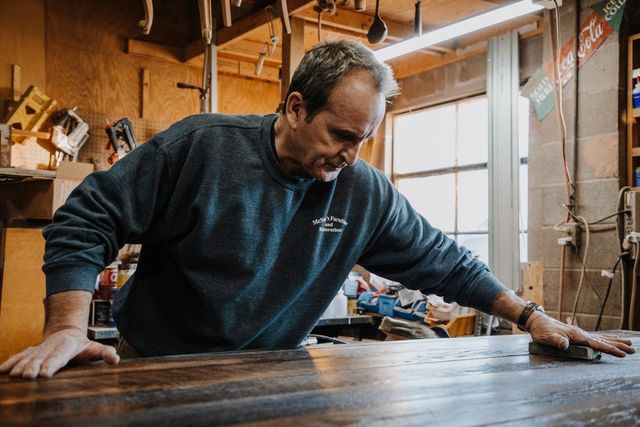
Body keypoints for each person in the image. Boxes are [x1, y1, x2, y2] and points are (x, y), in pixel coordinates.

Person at [1, 40, 634, 379]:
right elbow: (87, 218)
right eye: (340, 135)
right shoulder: (201, 147)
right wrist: (66, 330)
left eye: (364, 140)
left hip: (275, 373)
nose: (352, 156)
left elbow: (445, 263)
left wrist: (532, 316)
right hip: (156, 367)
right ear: (296, 107)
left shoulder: (363, 190)